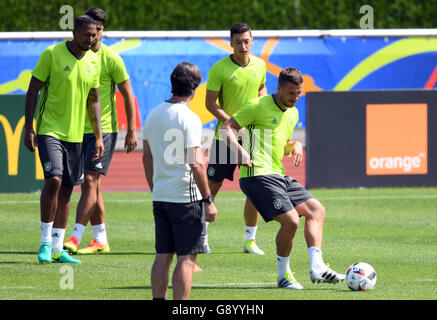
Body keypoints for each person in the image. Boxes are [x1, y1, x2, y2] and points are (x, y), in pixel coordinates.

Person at [221, 67, 345, 289]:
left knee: (317, 210)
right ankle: (283, 275)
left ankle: (317, 267)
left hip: (278, 175)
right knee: (291, 221)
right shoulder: (257, 106)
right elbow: (226, 128)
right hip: (256, 175)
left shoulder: (293, 113)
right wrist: (239, 151)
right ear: (279, 88)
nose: (295, 98)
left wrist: (295, 145)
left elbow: (280, 147)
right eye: (291, 94)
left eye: (299, 93)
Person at [24, 15, 103, 264]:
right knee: (54, 180)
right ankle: (45, 243)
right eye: (87, 34)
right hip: (50, 131)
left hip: (76, 134)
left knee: (68, 190)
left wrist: (99, 135)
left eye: (95, 35)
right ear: (74, 32)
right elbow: (33, 89)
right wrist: (30, 127)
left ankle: (58, 248)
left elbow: (94, 99)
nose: (91, 39)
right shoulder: (52, 54)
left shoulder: (94, 61)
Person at [63, 8, 138, 255]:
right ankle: (101, 239)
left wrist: (132, 130)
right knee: (93, 186)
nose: (93, 35)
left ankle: (74, 236)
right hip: (76, 129)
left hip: (103, 129)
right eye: (89, 30)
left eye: (98, 30)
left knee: (90, 181)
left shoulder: (111, 58)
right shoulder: (75, 56)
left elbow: (127, 93)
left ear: (102, 30)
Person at [142, 62, 218, 300]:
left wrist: (156, 188)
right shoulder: (191, 119)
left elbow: (146, 158)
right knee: (186, 258)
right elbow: (196, 163)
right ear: (195, 89)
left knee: (163, 255)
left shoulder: (153, 114)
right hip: (186, 198)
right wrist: (208, 199)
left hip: (161, 195)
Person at [205, 23, 267, 255]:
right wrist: (231, 122)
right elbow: (210, 103)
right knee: (213, 185)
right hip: (225, 136)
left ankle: (250, 240)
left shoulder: (260, 65)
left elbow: (261, 90)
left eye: (247, 41)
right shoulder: (219, 69)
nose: (243, 45)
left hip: (252, 137)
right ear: (230, 43)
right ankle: (201, 235)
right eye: (238, 41)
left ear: (252, 42)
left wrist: (261, 107)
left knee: (254, 187)